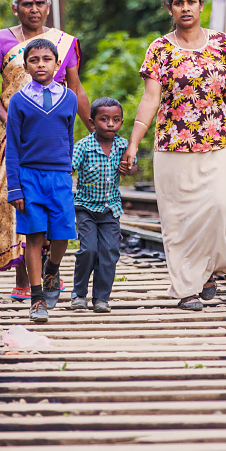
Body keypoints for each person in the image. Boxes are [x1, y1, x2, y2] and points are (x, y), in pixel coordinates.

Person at [121, 0, 226, 310]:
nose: (185, 8)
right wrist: (132, 144)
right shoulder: (159, 49)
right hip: (173, 147)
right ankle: (187, 289)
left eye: (191, 2)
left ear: (201, 5)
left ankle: (208, 267)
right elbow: (150, 100)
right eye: (178, 3)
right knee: (178, 221)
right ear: (170, 8)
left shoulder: (221, 44)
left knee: (220, 208)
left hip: (217, 142)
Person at [0, 0, 92, 298]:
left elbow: (76, 89)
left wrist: (94, 130)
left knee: (54, 210)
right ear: (15, 8)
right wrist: (10, 121)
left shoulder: (61, 44)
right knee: (14, 201)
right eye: (27, 4)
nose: (34, 9)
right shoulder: (1, 40)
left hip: (52, 136)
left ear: (48, 7)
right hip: (13, 134)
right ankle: (24, 279)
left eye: (39, 3)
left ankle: (47, 272)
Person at [6, 38, 78, 323]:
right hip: (29, 177)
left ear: (57, 64)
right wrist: (15, 186)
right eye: (34, 60)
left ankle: (52, 269)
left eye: (46, 59)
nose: (40, 65)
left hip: (60, 176)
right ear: (26, 66)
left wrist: (68, 169)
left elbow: (70, 136)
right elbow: (13, 146)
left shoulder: (69, 98)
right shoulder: (18, 101)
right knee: (34, 237)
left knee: (62, 235)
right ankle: (37, 299)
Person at [71, 97, 135, 313]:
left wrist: (129, 168)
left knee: (109, 252)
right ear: (92, 123)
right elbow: (68, 168)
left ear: (121, 123)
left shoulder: (123, 145)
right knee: (88, 250)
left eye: (116, 120)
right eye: (104, 119)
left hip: (111, 210)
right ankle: (79, 294)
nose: (110, 124)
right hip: (85, 208)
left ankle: (101, 298)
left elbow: (133, 166)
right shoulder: (83, 147)